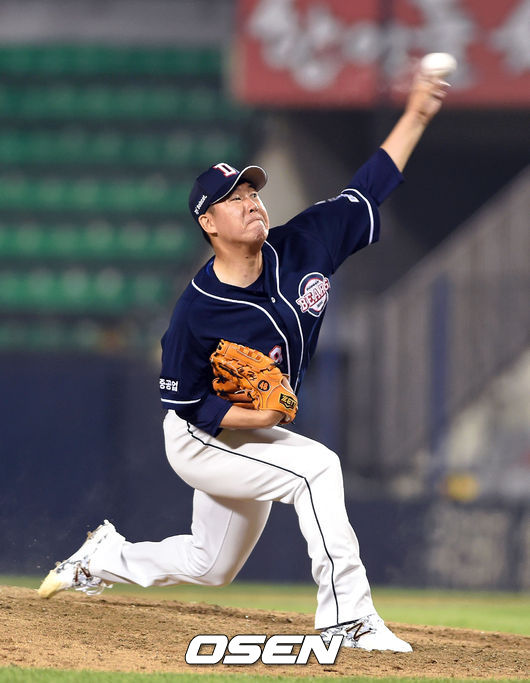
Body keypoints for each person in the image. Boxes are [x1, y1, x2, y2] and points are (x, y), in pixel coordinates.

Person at [38, 71, 449, 652]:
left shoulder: (305, 243)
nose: (252, 202)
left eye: (253, 193)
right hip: (201, 438)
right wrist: (258, 418)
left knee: (211, 565)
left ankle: (102, 559)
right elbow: (185, 403)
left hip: (251, 432)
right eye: (234, 198)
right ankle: (347, 619)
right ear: (208, 223)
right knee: (317, 469)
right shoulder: (196, 312)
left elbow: (369, 187)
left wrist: (416, 116)